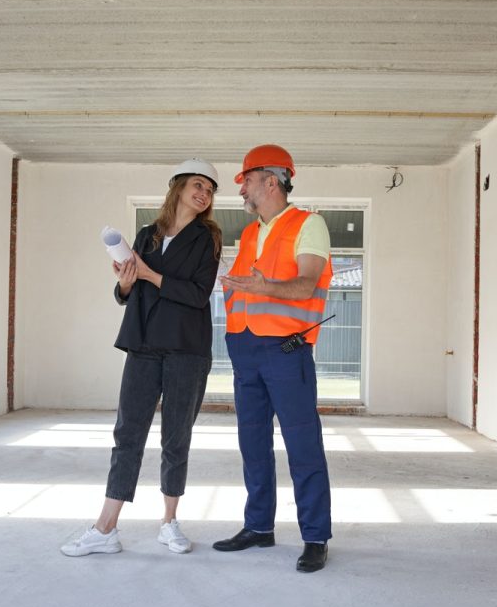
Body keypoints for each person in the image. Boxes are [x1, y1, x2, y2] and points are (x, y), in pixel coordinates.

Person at [61, 159, 222, 558]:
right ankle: (106, 527)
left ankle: (169, 523)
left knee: (175, 437)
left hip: (187, 347)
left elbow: (198, 295)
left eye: (210, 189)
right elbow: (131, 293)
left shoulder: (209, 238)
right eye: (198, 185)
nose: (204, 193)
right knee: (127, 433)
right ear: (179, 187)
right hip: (144, 344)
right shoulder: (148, 235)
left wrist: (150, 276)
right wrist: (127, 283)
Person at [214, 144, 333, 573]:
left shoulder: (309, 224)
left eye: (245, 180)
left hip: (286, 350)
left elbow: (304, 285)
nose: (241, 189)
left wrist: (261, 288)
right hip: (245, 349)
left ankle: (315, 536)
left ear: (270, 180)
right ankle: (259, 526)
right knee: (252, 444)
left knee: (302, 444)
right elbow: (241, 286)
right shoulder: (248, 234)